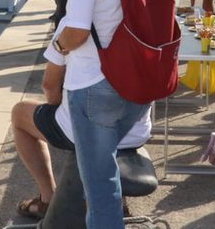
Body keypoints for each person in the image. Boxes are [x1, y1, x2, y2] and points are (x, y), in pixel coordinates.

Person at [50, 0, 162, 228]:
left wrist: (57, 45)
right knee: (104, 176)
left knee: (100, 188)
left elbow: (77, 31)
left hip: (95, 85)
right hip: (142, 80)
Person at [10, 21, 151, 220]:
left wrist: (59, 108)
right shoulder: (144, 22)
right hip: (137, 130)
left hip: (88, 131)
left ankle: (48, 197)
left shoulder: (73, 25)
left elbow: (49, 86)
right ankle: (117, 201)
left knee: (19, 114)